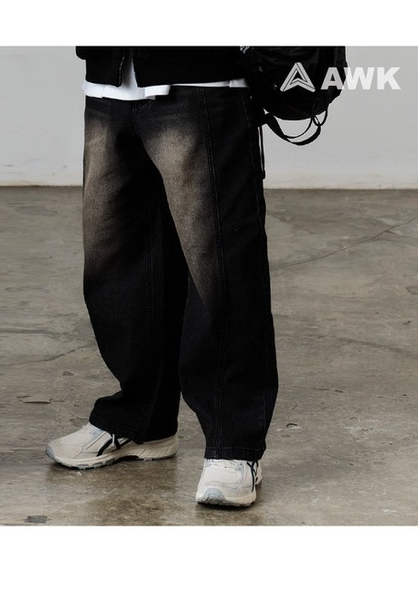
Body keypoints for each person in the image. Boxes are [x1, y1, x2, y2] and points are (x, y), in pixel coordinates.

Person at [46, 46, 278, 507]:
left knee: (220, 273)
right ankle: (142, 422)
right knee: (118, 266)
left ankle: (234, 445)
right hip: (110, 82)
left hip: (203, 83)